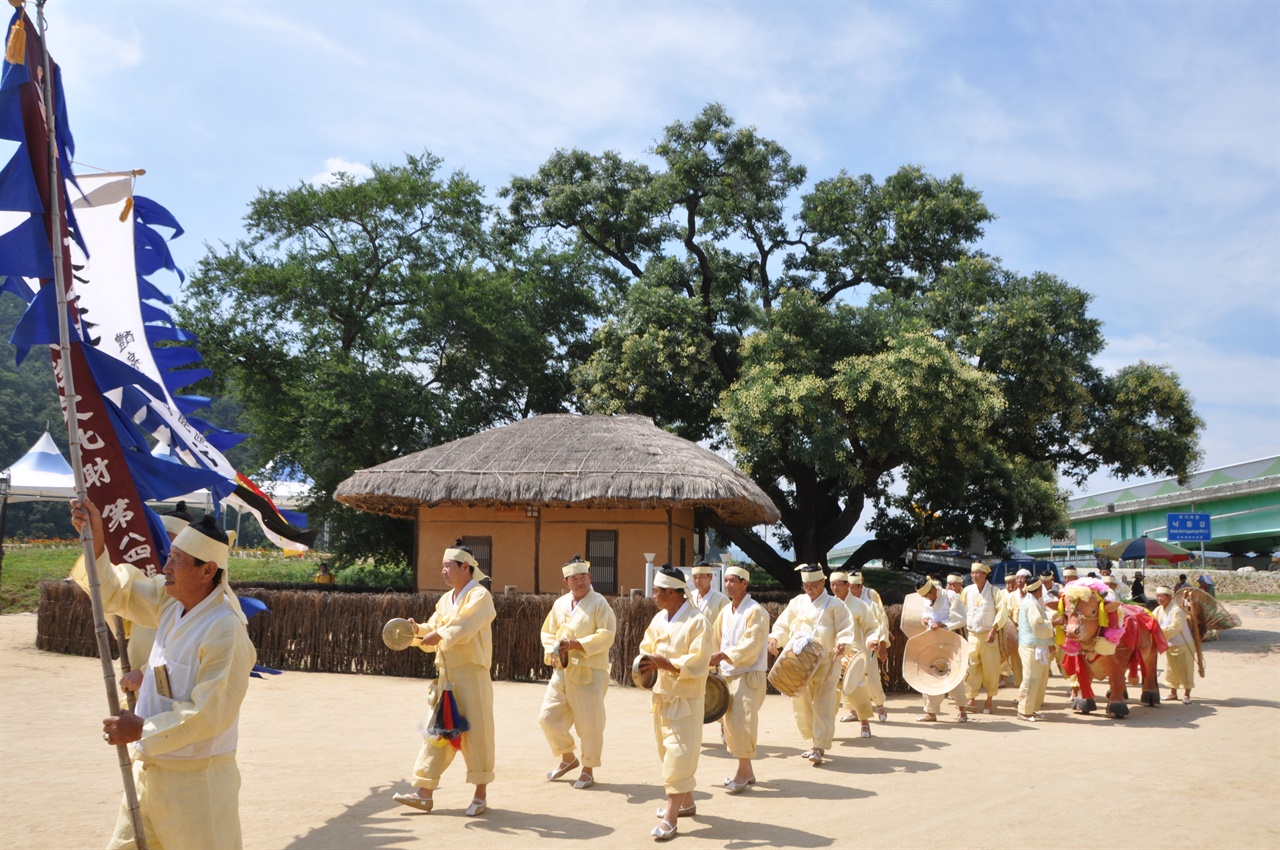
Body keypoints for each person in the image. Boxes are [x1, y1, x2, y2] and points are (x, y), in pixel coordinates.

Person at [70, 497, 256, 850]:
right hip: (149, 773)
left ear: (207, 571)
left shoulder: (224, 629)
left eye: (177, 560)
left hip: (197, 788)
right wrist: (95, 538)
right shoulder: (171, 603)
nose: (165, 566)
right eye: (169, 557)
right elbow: (118, 590)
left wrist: (141, 728)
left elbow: (210, 713)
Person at [394, 541, 496, 816]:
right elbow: (434, 629)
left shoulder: (480, 596)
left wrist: (438, 634)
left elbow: (463, 626)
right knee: (437, 733)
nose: (444, 571)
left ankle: (480, 794)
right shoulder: (445, 599)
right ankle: (424, 792)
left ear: (466, 567)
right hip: (446, 676)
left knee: (477, 734)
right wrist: (416, 631)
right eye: (442, 566)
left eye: (448, 566)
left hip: (472, 674)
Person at [638, 564, 712, 841]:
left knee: (680, 755)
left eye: (657, 591)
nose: (653, 595)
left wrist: (667, 663)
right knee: (666, 752)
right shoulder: (659, 619)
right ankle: (688, 802)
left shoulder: (697, 622)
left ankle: (671, 815)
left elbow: (699, 660)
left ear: (672, 592)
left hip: (687, 699)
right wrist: (646, 663)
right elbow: (647, 647)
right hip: (661, 696)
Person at [539, 556, 617, 790]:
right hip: (562, 670)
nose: (579, 581)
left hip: (590, 672)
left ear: (590, 577)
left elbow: (606, 634)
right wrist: (553, 651)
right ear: (566, 582)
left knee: (589, 724)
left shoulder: (599, 603)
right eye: (574, 578)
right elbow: (548, 632)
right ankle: (568, 758)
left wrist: (576, 644)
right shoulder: (560, 604)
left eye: (583, 576)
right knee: (548, 717)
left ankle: (588, 768)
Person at [769, 564, 853, 765]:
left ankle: (819, 746)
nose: (810, 590)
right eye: (806, 586)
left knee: (823, 704)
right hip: (799, 663)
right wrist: (775, 638)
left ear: (823, 582)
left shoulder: (835, 605)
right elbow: (783, 623)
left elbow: (845, 627)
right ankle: (813, 740)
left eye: (813, 586)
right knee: (802, 703)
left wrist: (842, 643)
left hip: (826, 663)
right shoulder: (797, 602)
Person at [709, 564, 769, 794]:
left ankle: (742, 772)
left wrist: (725, 654)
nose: (728, 585)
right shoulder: (725, 611)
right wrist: (711, 658)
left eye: (733, 581)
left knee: (742, 724)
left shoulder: (756, 611)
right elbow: (715, 638)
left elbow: (751, 644)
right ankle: (748, 771)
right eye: (726, 581)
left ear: (745, 583)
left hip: (748, 675)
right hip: (728, 674)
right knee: (731, 725)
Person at [829, 571, 877, 738]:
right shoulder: (828, 604)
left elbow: (871, 627)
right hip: (832, 654)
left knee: (858, 688)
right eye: (832, 584)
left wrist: (871, 640)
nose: (834, 588)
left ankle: (864, 721)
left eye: (838, 584)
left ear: (847, 585)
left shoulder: (859, 605)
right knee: (829, 691)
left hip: (854, 654)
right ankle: (826, 727)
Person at [914, 577, 968, 722]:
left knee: (954, 673)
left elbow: (961, 618)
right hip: (933, 641)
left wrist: (942, 624)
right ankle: (931, 712)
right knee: (930, 673)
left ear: (933, 589)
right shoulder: (927, 599)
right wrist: (925, 620)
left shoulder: (951, 596)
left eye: (927, 595)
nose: (926, 598)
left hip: (951, 640)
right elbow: (926, 614)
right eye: (924, 596)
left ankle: (962, 710)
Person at [960, 562, 1006, 714]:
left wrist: (994, 629)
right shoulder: (967, 591)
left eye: (977, 573)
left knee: (991, 668)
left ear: (985, 575)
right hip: (973, 634)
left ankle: (989, 698)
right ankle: (971, 697)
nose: (974, 575)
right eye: (972, 572)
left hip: (989, 635)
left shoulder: (994, 591)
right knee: (971, 666)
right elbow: (960, 611)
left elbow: (1002, 611)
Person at [850, 572, 891, 721]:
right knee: (849, 680)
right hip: (851, 648)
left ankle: (879, 705)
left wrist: (882, 644)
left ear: (860, 586)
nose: (850, 590)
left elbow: (881, 623)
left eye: (853, 588)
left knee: (872, 678)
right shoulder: (844, 603)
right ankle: (854, 711)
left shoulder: (870, 600)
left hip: (868, 646)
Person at [1016, 577, 1054, 721]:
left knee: (1040, 679)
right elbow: (1038, 626)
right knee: (1031, 679)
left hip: (1038, 646)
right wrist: (1054, 624)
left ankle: (1031, 709)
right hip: (1031, 647)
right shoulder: (1031, 603)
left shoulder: (1033, 602)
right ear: (1039, 590)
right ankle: (1023, 711)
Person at [1154, 587, 1196, 704]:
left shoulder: (1177, 610)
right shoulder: (1158, 610)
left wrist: (1156, 631)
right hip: (1169, 644)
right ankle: (1173, 693)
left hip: (1183, 644)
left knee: (1185, 669)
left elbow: (1175, 628)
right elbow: (1151, 620)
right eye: (1158, 596)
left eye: (1162, 596)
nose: (1159, 598)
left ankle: (1187, 695)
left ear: (1169, 597)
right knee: (1170, 670)